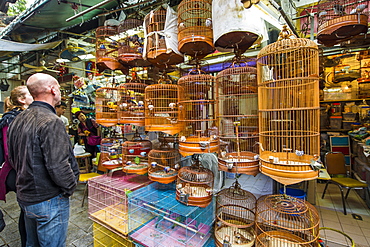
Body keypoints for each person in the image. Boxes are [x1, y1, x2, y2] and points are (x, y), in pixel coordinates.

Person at [7, 73, 79, 247]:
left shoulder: (17, 119)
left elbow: (13, 157)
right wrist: (70, 187)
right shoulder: (51, 121)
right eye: (59, 88)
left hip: (27, 197)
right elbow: (58, 165)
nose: (60, 92)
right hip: (49, 199)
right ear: (52, 90)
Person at [0, 85, 33, 246]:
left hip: (22, 171)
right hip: (17, 173)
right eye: (30, 94)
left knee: (27, 210)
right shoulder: (10, 119)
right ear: (22, 99)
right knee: (26, 211)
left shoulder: (24, 116)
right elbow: (10, 153)